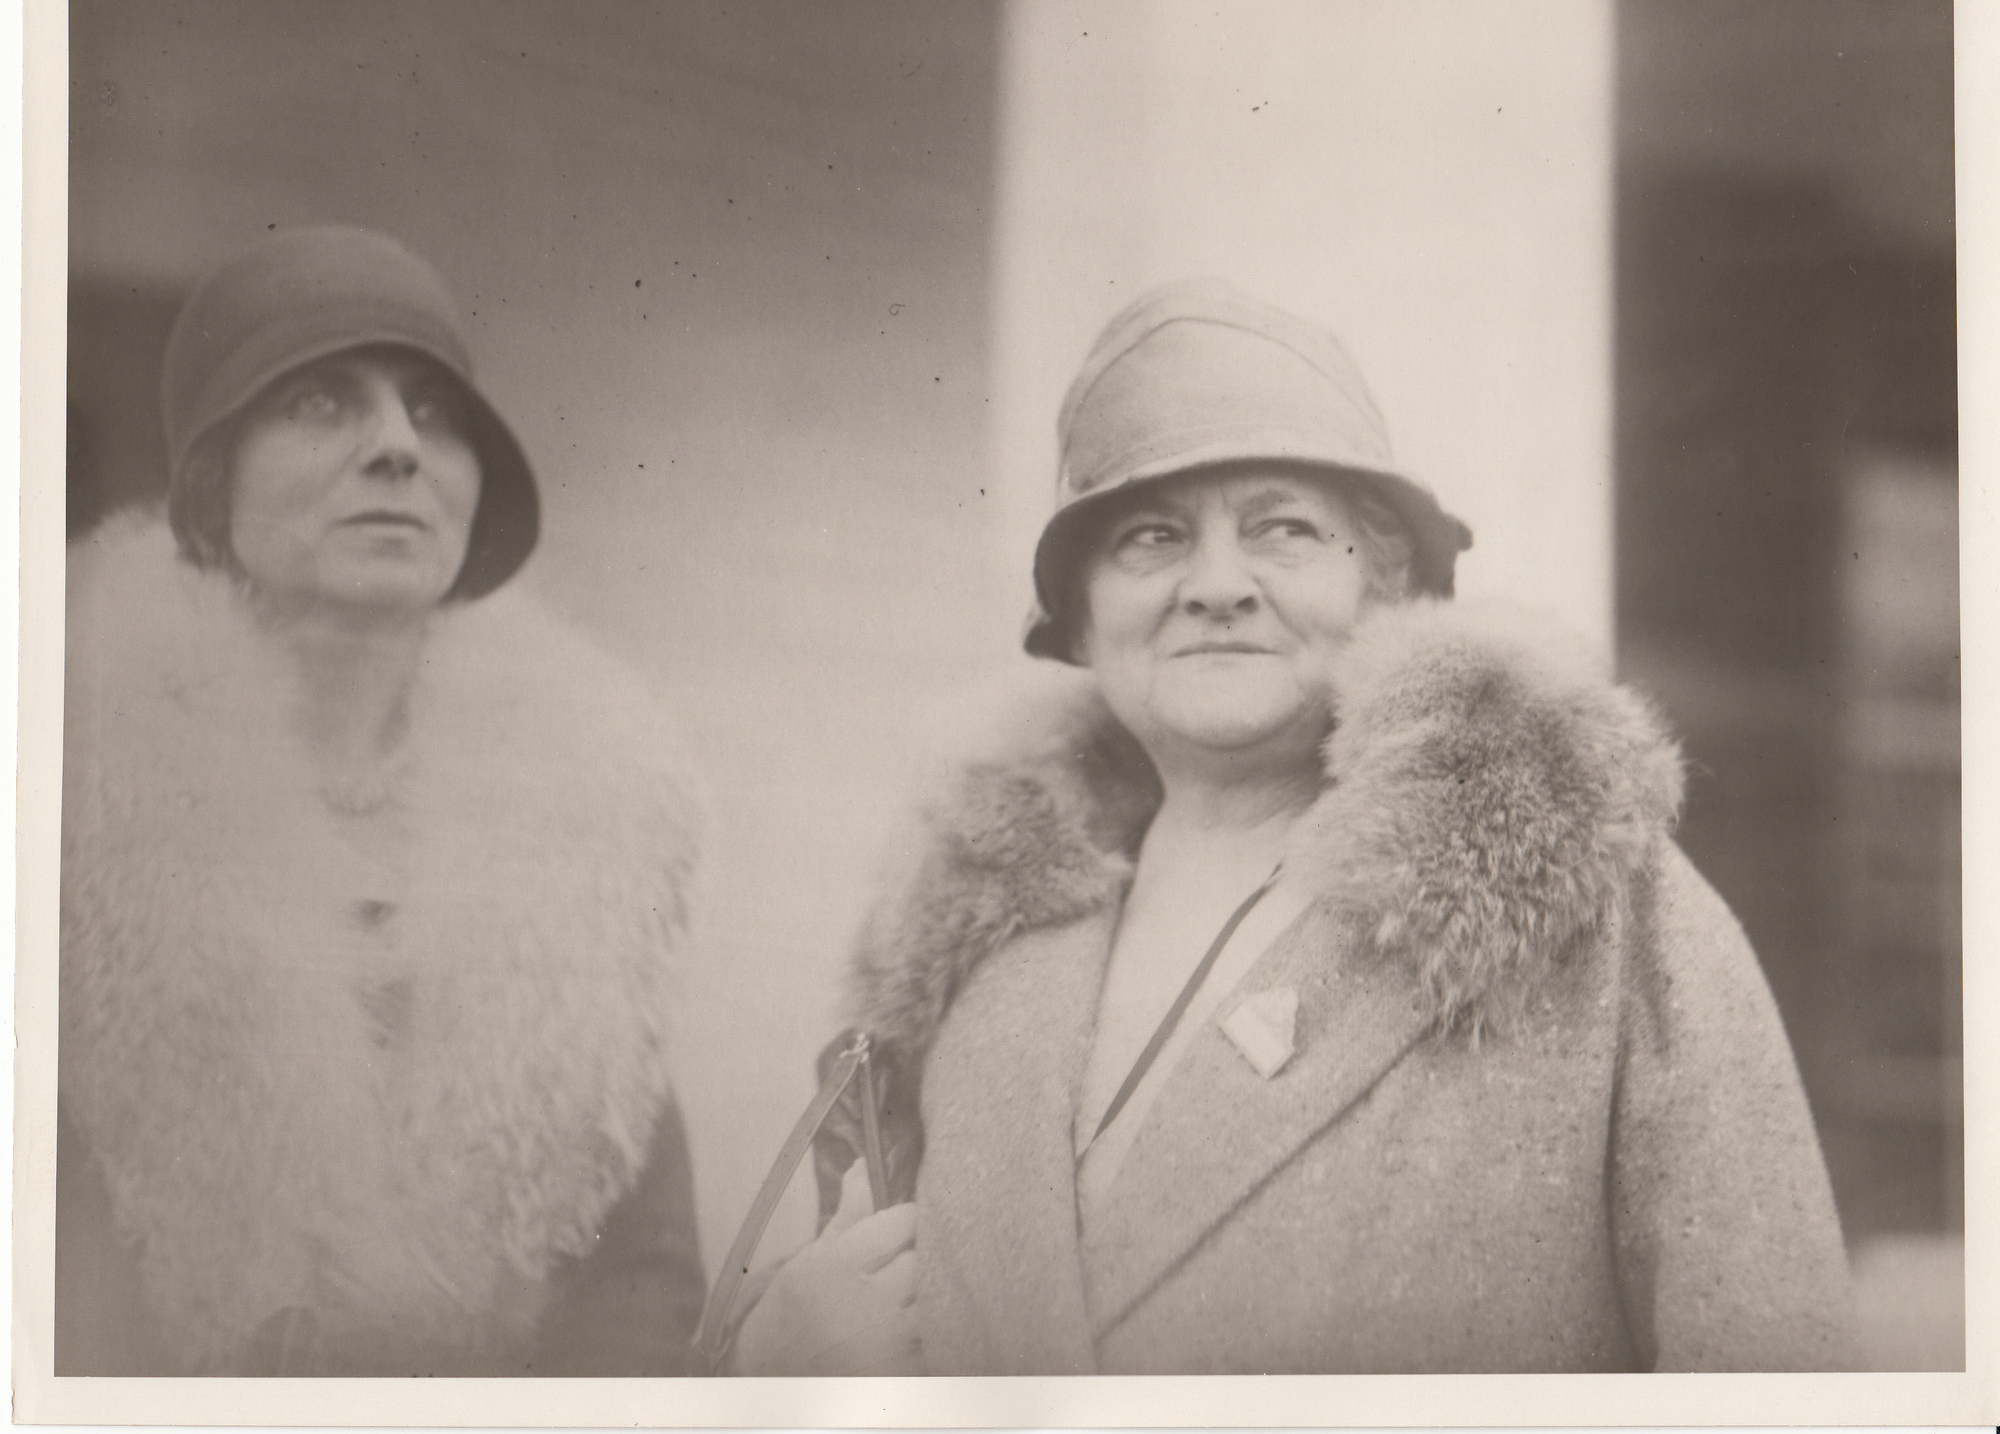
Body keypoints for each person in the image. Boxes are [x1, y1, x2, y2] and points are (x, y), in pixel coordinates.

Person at [731, 276, 1855, 1374]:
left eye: (1282, 529)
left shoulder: (1595, 908)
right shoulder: (968, 947)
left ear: (1385, 580)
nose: (1216, 584)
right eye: (1148, 539)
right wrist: (777, 1378)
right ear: (1077, 615)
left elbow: (1772, 1364)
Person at [57, 226, 707, 1375]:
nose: (398, 449)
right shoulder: (63, 818)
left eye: (433, 413)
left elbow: (637, 1279)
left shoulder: (583, 839)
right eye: (320, 404)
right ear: (208, 487)